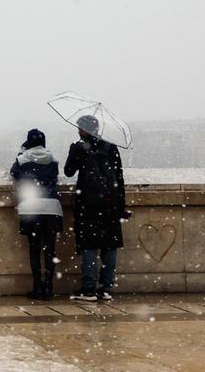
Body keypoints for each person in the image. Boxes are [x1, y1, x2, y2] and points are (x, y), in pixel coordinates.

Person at [64, 115, 128, 302]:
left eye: (79, 128)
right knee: (110, 246)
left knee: (89, 245)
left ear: (84, 130)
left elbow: (69, 171)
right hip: (110, 204)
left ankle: (89, 289)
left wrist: (74, 151)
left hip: (88, 204)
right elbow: (119, 177)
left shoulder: (79, 147)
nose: (77, 131)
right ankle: (106, 288)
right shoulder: (111, 147)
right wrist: (120, 205)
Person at [10, 128, 63, 299]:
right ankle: (49, 287)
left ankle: (37, 287)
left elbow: (14, 173)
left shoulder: (22, 158)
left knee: (34, 249)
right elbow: (54, 176)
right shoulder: (53, 159)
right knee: (49, 250)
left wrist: (21, 153)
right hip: (52, 207)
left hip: (31, 207)